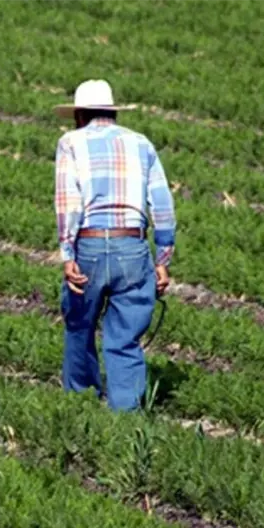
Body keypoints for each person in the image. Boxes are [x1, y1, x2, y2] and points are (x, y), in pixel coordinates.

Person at [53, 79, 176, 412]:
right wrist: (162, 258)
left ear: (79, 115)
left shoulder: (71, 142)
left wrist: (67, 254)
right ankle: (126, 418)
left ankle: (81, 406)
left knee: (80, 327)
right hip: (133, 247)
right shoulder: (141, 143)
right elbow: (162, 204)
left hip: (90, 245)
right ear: (112, 113)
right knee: (125, 339)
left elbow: (69, 202)